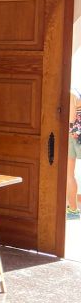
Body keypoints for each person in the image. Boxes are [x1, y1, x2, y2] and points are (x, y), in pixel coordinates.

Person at [67, 89, 81, 220]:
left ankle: (73, 210)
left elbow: (71, 118)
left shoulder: (71, 92)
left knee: (69, 174)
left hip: (73, 136)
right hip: (77, 135)